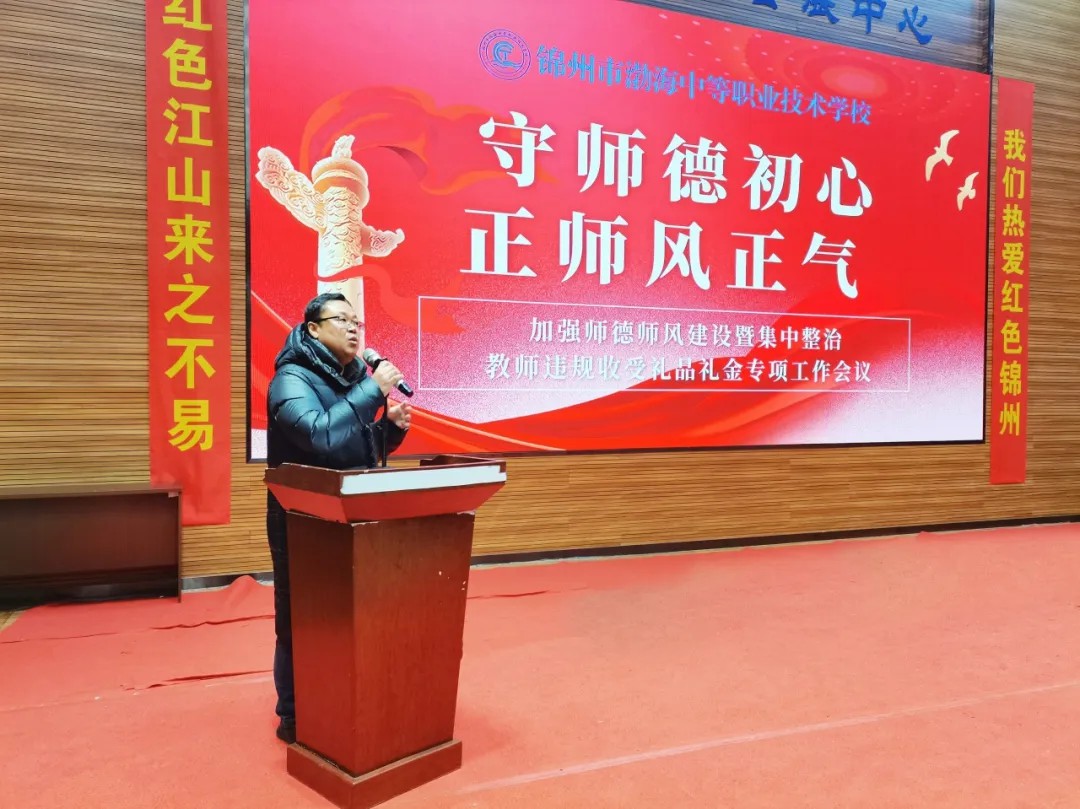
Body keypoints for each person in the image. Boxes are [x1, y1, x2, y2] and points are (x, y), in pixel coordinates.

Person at [265, 292, 412, 743]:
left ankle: (344, 697)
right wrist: (372, 391)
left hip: (350, 513)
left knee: (350, 613)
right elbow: (319, 437)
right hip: (302, 520)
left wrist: (389, 430)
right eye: (342, 320)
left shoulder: (352, 379)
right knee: (303, 618)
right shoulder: (290, 379)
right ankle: (294, 715)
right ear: (313, 329)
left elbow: (353, 451)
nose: (353, 328)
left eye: (357, 322)